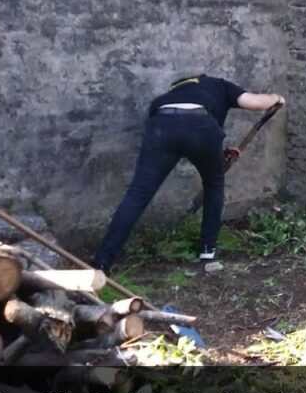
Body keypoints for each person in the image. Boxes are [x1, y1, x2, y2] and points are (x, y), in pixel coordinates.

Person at [92, 74, 284, 273]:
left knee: (138, 194)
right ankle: (207, 251)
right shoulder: (219, 85)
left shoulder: (173, 92)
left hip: (161, 122)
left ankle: (102, 262)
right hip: (202, 126)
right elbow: (256, 103)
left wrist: (217, 151)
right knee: (214, 184)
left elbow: (179, 125)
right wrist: (276, 98)